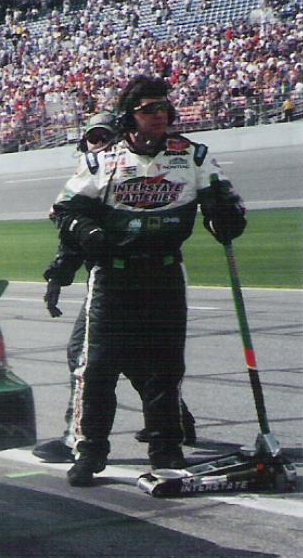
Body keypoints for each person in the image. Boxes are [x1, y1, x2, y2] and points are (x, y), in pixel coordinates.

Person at [49, 76, 246, 486]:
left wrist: (225, 215)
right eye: (150, 109)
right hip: (112, 277)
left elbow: (225, 204)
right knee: (96, 368)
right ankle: (89, 451)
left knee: (165, 368)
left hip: (165, 274)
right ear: (129, 118)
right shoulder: (103, 161)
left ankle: (166, 450)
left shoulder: (192, 156)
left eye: (165, 108)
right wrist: (88, 234)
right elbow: (64, 211)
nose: (161, 116)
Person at [34, 112, 195, 463]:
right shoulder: (94, 174)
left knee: (87, 355)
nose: (99, 143)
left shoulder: (126, 172)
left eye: (105, 136)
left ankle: (76, 439)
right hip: (111, 280)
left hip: (133, 280)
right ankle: (177, 421)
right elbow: (74, 238)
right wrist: (58, 277)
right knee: (133, 359)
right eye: (93, 138)